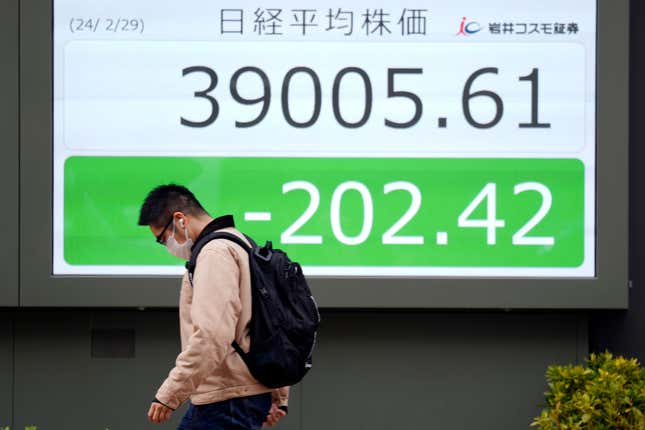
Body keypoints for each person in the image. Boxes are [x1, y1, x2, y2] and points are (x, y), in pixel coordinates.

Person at [138, 184, 289, 429]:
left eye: (162, 238)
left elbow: (212, 335)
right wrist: (277, 394)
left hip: (225, 399)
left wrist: (169, 394)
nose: (167, 246)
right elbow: (272, 324)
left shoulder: (213, 253)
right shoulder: (243, 244)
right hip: (242, 395)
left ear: (180, 219)